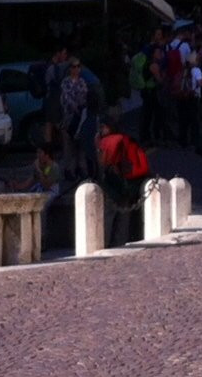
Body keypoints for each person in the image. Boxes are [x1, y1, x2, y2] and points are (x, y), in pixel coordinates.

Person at [96, 116, 148, 247]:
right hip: (128, 184)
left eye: (103, 127)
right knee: (123, 221)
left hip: (114, 185)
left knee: (110, 218)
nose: (101, 130)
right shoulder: (125, 139)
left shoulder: (108, 142)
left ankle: (106, 245)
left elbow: (103, 163)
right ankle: (120, 245)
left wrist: (98, 146)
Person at [60, 57, 88, 180]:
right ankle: (68, 169)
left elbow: (85, 96)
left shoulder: (82, 82)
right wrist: (75, 106)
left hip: (81, 116)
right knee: (68, 145)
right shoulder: (65, 82)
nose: (76, 69)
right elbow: (66, 98)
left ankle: (80, 168)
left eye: (78, 66)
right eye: (73, 67)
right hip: (69, 117)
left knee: (80, 144)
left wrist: (82, 107)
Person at [43, 45, 69, 143]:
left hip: (49, 99)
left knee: (49, 124)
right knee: (58, 124)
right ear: (58, 54)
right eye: (64, 53)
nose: (65, 56)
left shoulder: (50, 65)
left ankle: (48, 149)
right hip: (53, 100)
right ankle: (66, 147)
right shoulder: (53, 68)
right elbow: (56, 82)